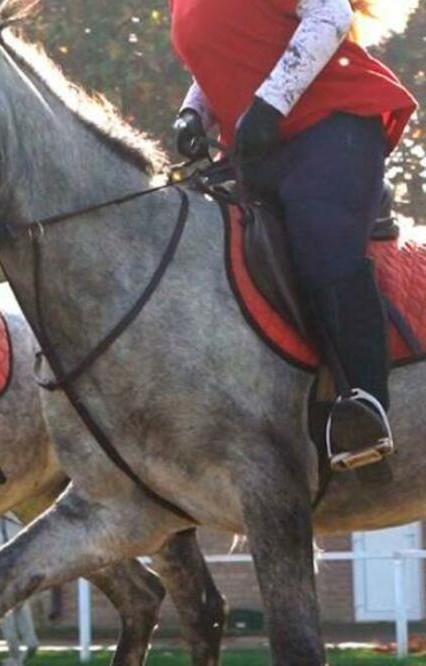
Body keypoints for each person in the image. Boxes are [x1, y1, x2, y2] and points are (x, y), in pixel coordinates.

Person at [170, 0, 417, 471]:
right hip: (261, 148)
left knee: (321, 247)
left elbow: (332, 15)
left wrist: (267, 105)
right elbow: (232, 53)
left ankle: (366, 404)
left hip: (331, 129)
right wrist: (194, 114)